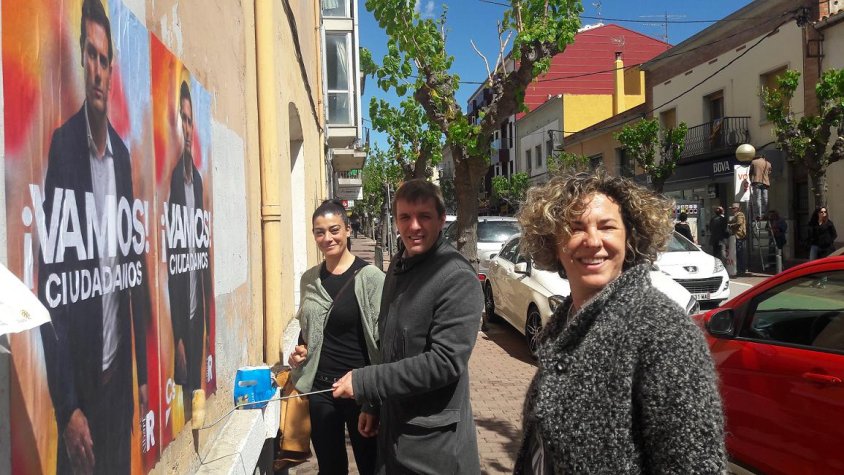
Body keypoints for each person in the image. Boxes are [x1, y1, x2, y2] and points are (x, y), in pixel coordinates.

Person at [512, 170, 725, 473]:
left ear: (630, 237)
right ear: (553, 244)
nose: (593, 241)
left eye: (607, 226)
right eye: (575, 228)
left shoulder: (663, 331)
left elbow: (694, 465)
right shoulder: (564, 325)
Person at [38, 1, 149, 472]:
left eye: (106, 60)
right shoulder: (62, 146)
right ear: (82, 59)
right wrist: (67, 409)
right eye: (91, 55)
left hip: (118, 388)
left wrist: (142, 379)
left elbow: (134, 270)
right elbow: (51, 291)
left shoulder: (123, 157)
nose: (99, 71)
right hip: (81, 396)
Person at [331, 179, 483, 474]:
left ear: (441, 219)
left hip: (434, 449)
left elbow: (445, 362)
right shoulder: (399, 265)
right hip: (393, 435)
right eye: (405, 217)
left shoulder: (456, 278)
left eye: (424, 216)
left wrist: (365, 383)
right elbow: (390, 344)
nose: (414, 226)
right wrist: (373, 405)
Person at [287, 199, 383, 474]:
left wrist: (373, 403)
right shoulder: (310, 280)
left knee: (370, 464)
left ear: (348, 230)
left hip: (359, 389)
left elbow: (381, 340)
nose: (327, 238)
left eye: (334, 230)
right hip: (321, 389)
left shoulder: (371, 278)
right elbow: (309, 331)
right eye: (320, 232)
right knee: (329, 468)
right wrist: (301, 350)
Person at [168, 80, 212, 421]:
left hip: (199, 318)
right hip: (184, 322)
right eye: (181, 119)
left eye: (189, 120)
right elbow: (173, 266)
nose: (186, 127)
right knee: (186, 395)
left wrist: (207, 322)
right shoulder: (172, 180)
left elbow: (203, 257)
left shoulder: (196, 179)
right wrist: (178, 338)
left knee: (199, 392)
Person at [749, 154, 771, 219]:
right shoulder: (768, 163)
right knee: (765, 199)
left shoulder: (754, 162)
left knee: (758, 199)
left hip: (756, 182)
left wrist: (751, 180)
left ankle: (759, 214)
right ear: (764, 157)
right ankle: (766, 214)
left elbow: (750, 172)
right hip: (765, 183)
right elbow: (769, 172)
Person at [728, 202, 747, 275]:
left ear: (738, 208)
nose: (732, 210)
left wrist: (730, 225)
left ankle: (742, 269)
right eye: (732, 208)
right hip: (736, 236)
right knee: (738, 253)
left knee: (740, 253)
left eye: (734, 208)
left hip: (739, 235)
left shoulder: (740, 214)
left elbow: (739, 223)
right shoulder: (735, 215)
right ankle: (740, 269)